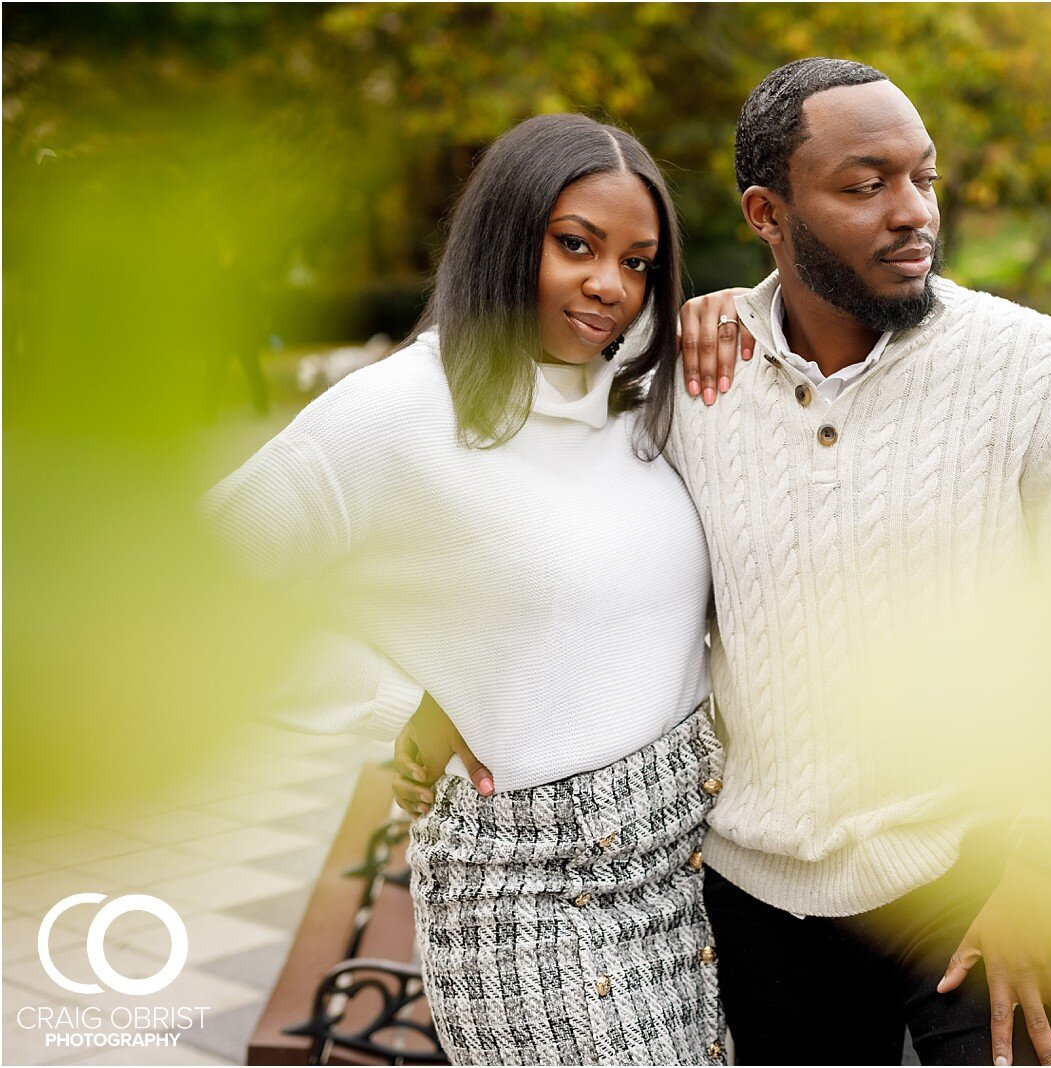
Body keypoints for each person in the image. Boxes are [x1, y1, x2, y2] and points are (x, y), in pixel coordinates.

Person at [403, 58, 1051, 1067]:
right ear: (768, 211)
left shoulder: (1028, 366)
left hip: (978, 875)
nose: (911, 214)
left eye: (923, 179)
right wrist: (456, 689)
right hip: (755, 896)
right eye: (864, 185)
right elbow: (571, 554)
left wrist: (1046, 865)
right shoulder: (686, 378)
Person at [204, 113, 746, 1066]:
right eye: (575, 246)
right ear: (505, 235)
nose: (608, 287)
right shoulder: (397, 413)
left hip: (687, 877)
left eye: (638, 262)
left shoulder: (635, 397)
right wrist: (389, 704)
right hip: (532, 902)